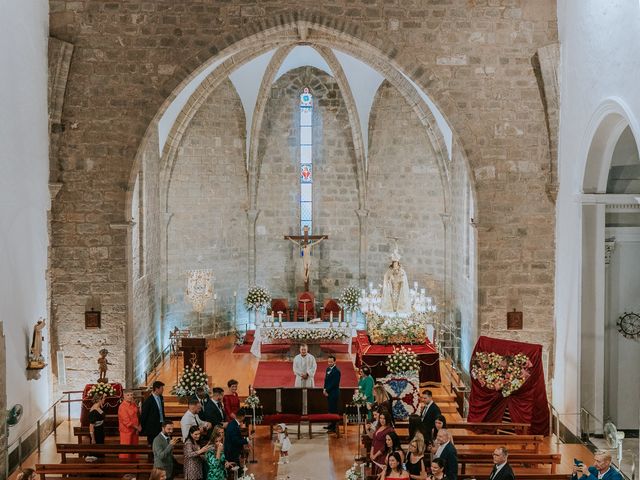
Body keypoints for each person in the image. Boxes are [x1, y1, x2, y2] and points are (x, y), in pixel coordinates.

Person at [381, 247, 411, 314]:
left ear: (398, 264)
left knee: (399, 303)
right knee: (391, 303)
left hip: (399, 290)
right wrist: (389, 279)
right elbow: (386, 278)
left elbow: (404, 280)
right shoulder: (389, 271)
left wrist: (401, 279)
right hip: (391, 290)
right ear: (392, 264)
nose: (395, 266)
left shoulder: (402, 272)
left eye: (396, 264)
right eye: (394, 264)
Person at [118, 389, 141, 459]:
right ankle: (125, 466)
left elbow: (137, 416)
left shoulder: (133, 404)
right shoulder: (122, 407)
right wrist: (137, 427)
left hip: (134, 431)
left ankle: (134, 465)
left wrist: (138, 425)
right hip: (126, 431)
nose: (130, 397)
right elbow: (126, 421)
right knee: (126, 450)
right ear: (124, 396)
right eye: (128, 395)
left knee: (134, 449)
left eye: (131, 395)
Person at [141, 381, 166, 446]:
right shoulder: (149, 400)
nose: (163, 390)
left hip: (161, 424)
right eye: (162, 389)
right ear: (156, 389)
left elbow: (161, 410)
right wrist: (142, 426)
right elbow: (144, 414)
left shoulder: (161, 397)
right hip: (152, 427)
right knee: (152, 444)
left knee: (160, 443)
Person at [370, 410, 394, 474]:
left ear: (387, 419)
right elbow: (374, 440)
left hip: (382, 455)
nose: (382, 420)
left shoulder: (390, 429)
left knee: (381, 473)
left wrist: (375, 455)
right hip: (374, 454)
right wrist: (371, 453)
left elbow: (385, 446)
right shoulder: (378, 427)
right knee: (375, 472)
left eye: (384, 418)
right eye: (381, 418)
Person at [323, 354, 341, 432]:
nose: (329, 363)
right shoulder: (327, 369)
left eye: (331, 362)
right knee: (330, 409)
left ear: (334, 362)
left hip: (334, 393)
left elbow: (334, 383)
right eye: (328, 362)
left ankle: (334, 427)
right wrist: (324, 389)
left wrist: (327, 390)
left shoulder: (337, 371)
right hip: (328, 392)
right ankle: (331, 425)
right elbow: (326, 380)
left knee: (334, 410)